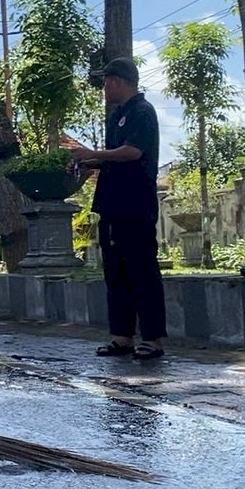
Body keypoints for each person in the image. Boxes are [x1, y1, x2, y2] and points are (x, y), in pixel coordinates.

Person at [72, 57, 166, 361]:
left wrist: (94, 152)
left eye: (106, 82)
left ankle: (152, 338)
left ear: (118, 81)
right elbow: (114, 157)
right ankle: (121, 337)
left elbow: (133, 152)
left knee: (142, 270)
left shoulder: (142, 111)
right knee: (116, 272)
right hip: (112, 204)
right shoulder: (117, 116)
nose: (103, 88)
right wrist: (90, 162)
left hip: (135, 204)